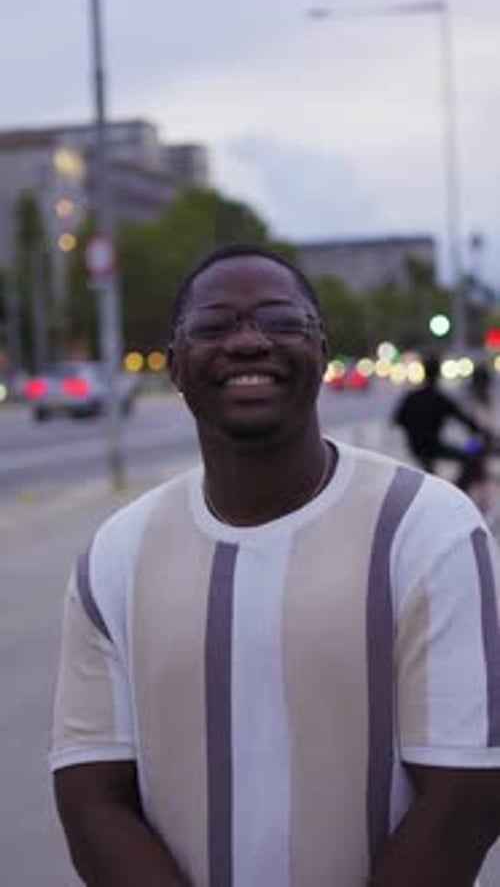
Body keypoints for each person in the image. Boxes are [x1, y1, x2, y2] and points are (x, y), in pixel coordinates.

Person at [50, 244, 500, 887]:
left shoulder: (431, 531)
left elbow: (466, 800)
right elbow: (92, 800)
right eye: (212, 326)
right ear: (175, 365)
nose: (248, 342)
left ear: (321, 351)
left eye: (281, 321)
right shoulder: (115, 557)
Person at [393, 353, 492, 491]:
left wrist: (413, 428)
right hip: (433, 447)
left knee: (430, 478)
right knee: (470, 460)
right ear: (438, 374)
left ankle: (439, 495)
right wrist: (483, 432)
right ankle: (457, 493)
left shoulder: (412, 397)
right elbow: (463, 418)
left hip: (415, 446)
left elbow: (397, 420)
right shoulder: (439, 398)